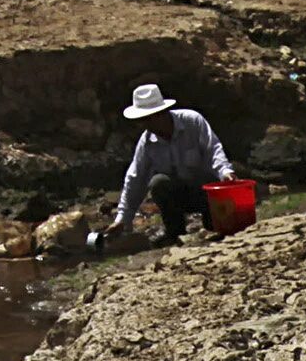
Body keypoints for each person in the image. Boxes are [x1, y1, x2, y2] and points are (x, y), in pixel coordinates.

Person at [87, 84, 233, 253]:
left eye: (149, 118)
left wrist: (225, 172)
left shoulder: (193, 121)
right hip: (181, 196)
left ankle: (212, 222)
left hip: (209, 193)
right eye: (143, 119)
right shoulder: (147, 142)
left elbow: (213, 149)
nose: (146, 124)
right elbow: (135, 179)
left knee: (217, 228)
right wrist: (122, 219)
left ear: (162, 113)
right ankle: (175, 233)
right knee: (158, 183)